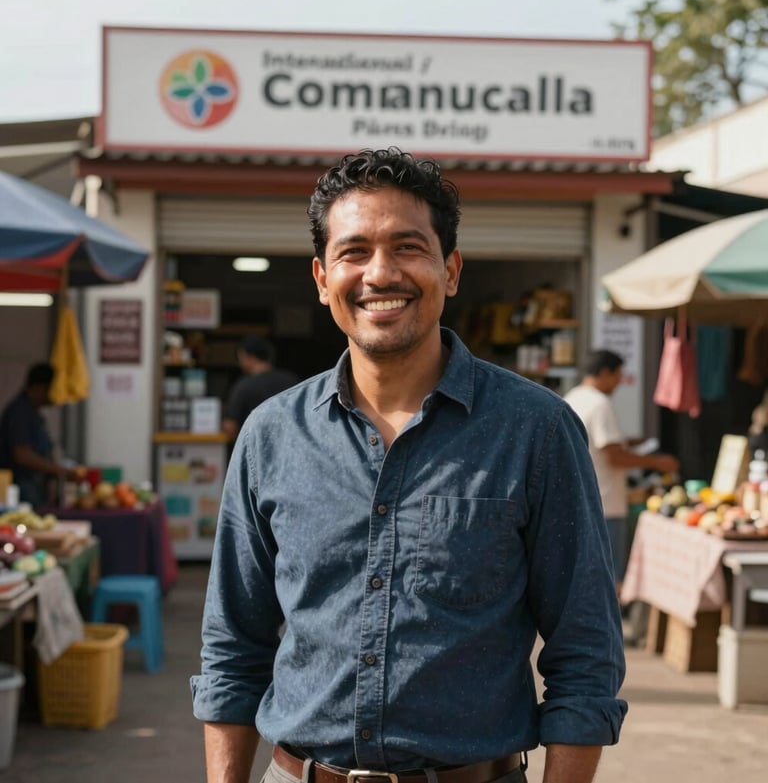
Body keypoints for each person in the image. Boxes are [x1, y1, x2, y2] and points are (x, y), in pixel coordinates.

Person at [191, 147, 627, 783]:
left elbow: (585, 650)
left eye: (407, 247)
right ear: (321, 278)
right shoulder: (272, 435)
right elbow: (233, 646)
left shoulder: (536, 430)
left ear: (450, 270)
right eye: (354, 251)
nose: (380, 273)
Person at [564, 349, 680, 584]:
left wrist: (631, 442)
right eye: (618, 375)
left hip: (579, 500)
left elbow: (601, 443)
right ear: (605, 373)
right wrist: (658, 462)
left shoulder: (572, 398)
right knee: (607, 578)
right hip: (605, 503)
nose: (619, 382)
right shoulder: (599, 404)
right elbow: (614, 456)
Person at [0, 362, 81, 510]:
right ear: (41, 387)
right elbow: (22, 454)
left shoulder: (32, 413)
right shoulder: (20, 413)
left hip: (35, 487)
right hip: (22, 489)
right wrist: (59, 470)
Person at [221, 335, 299, 444]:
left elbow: (230, 427)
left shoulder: (244, 386)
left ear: (247, 356)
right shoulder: (291, 380)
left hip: (257, 447)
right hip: (290, 446)